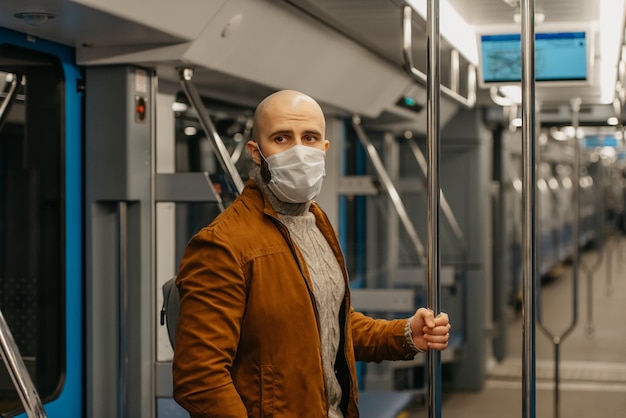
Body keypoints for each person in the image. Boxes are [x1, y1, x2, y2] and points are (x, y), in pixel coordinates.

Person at [172, 89, 451, 418]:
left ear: (324, 148)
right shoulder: (223, 244)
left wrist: (404, 334)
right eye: (282, 138)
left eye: (309, 138)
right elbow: (199, 378)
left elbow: (329, 325)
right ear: (256, 152)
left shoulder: (316, 221)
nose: (299, 151)